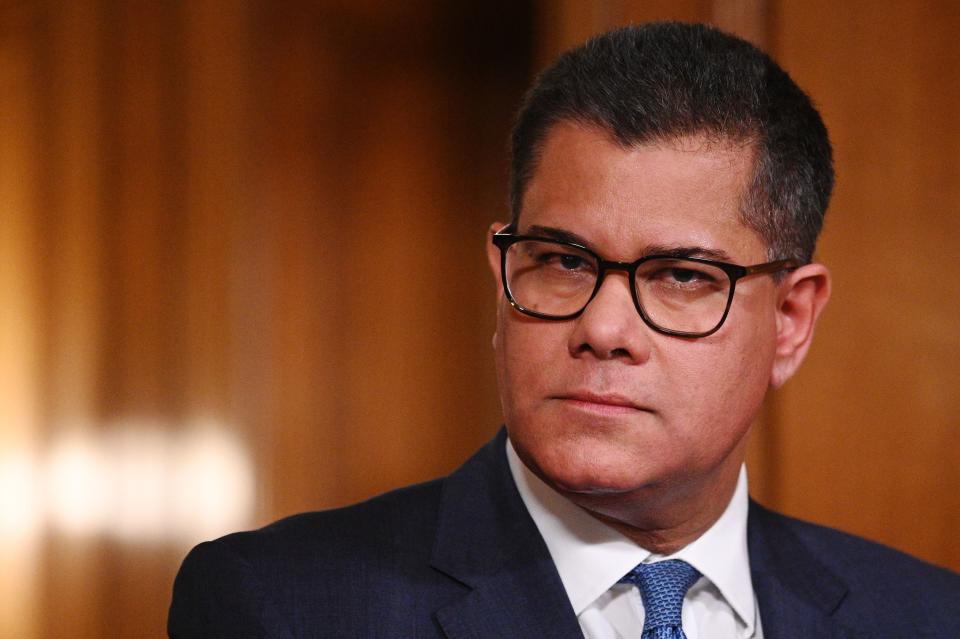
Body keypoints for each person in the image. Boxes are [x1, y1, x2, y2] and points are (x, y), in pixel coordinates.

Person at [168, 22, 960, 639]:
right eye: (561, 260)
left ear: (790, 320)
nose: (603, 327)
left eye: (682, 276)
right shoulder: (285, 607)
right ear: (502, 273)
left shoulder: (927, 616)